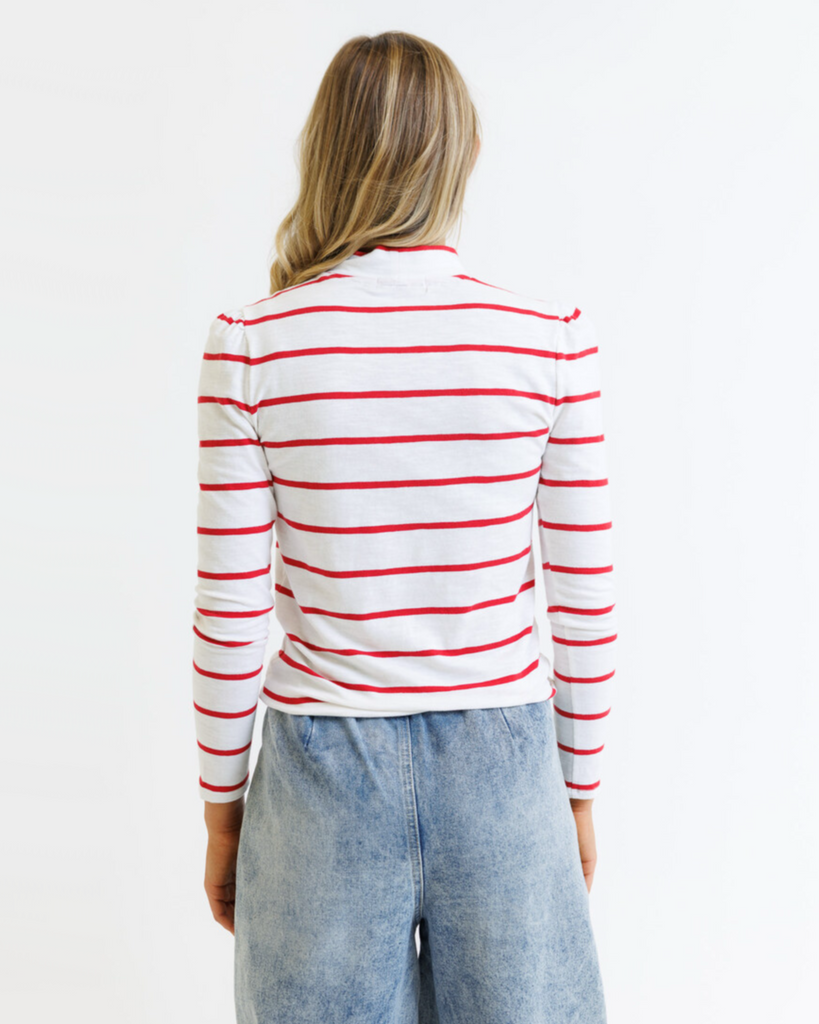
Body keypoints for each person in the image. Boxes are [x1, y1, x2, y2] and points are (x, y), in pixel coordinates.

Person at [192, 30, 617, 1024]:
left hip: (320, 774)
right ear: (460, 155)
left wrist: (223, 816)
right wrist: (578, 790)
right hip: (506, 770)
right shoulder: (548, 340)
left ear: (325, 152)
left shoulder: (254, 344)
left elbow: (228, 612)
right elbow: (585, 601)